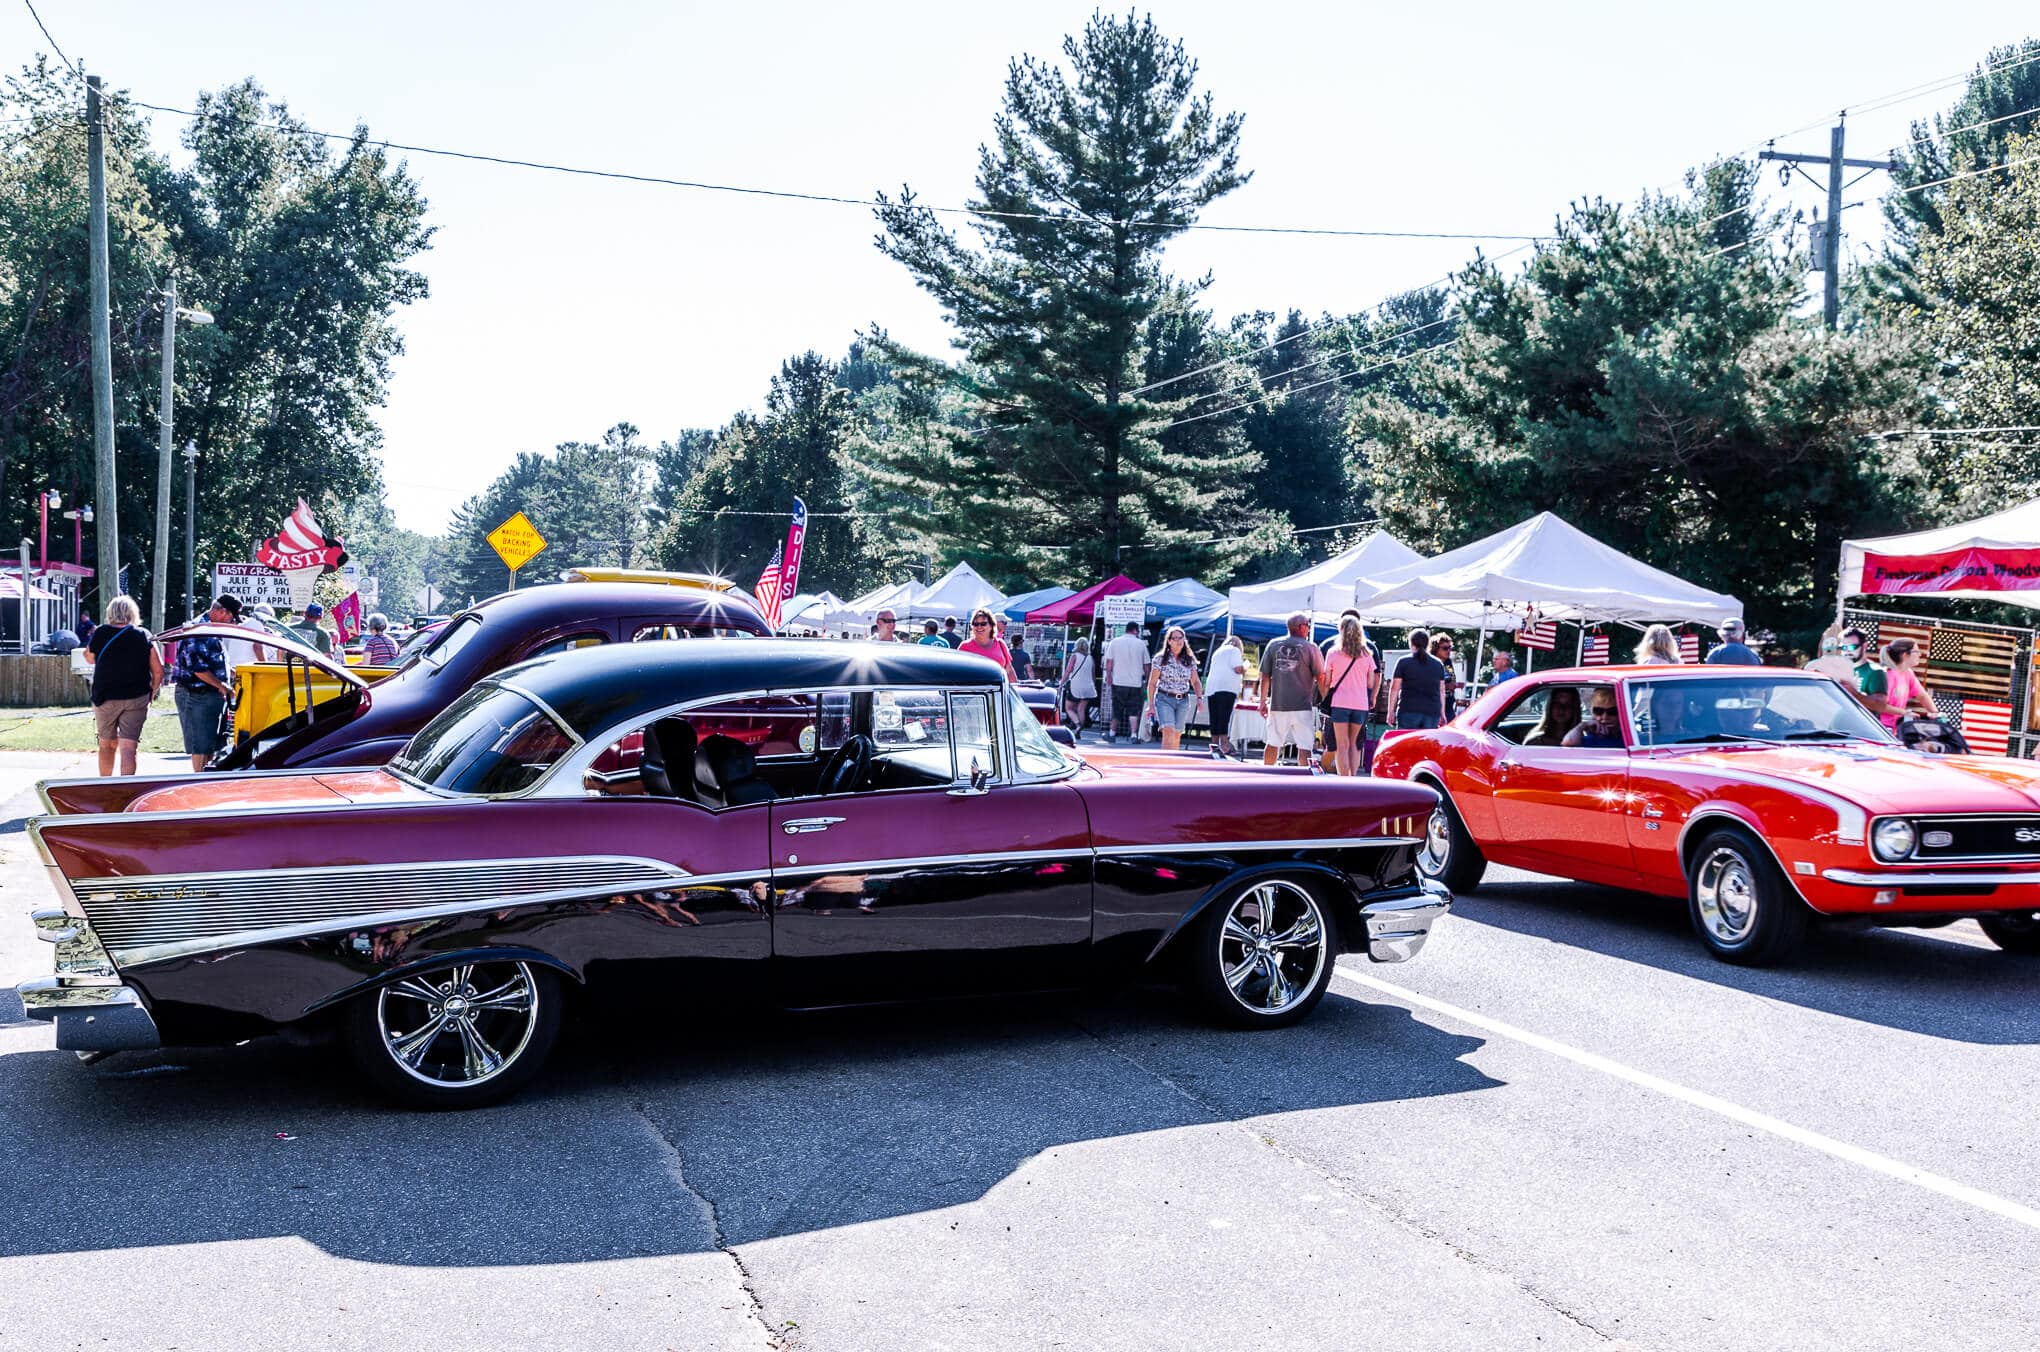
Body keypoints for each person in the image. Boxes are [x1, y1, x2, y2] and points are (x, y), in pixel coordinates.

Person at [84, 594, 162, 777]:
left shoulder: (101, 633)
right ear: (133, 613)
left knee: (106, 744)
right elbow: (158, 671)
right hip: (137, 697)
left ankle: (104, 787)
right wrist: (152, 693)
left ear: (110, 612)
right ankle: (125, 791)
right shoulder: (143, 635)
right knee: (129, 747)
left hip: (105, 697)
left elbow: (89, 658)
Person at [172, 602, 234, 771]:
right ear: (221, 611)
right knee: (200, 745)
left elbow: (215, 660)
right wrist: (222, 685)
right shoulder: (198, 631)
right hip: (195, 694)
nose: (231, 622)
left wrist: (230, 674)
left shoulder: (211, 629)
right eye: (231, 618)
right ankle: (199, 779)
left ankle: (206, 777)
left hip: (210, 694)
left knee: (211, 744)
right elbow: (197, 668)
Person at [1258, 612, 1325, 765]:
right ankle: (1303, 783)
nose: (1308, 629)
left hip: (1278, 704)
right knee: (1305, 747)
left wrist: (1262, 701)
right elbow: (1321, 677)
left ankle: (1265, 776)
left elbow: (1265, 676)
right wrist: (1326, 700)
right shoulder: (1311, 648)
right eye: (1307, 625)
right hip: (1302, 705)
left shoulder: (1273, 645)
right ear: (1300, 627)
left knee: (1273, 742)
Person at [1321, 615, 1378, 777]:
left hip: (1339, 702)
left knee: (1342, 744)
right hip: (1360, 703)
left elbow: (1327, 681)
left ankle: (1343, 779)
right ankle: (1353, 777)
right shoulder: (1367, 654)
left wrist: (1326, 693)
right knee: (1354, 744)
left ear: (1341, 630)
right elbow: (1370, 682)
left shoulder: (1333, 653)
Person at [1143, 626, 1205, 752]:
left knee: (1177, 734)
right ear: (1169, 641)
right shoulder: (1160, 658)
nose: (1178, 641)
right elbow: (1152, 682)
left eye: (1180, 638)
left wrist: (1199, 698)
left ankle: (1173, 761)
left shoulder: (1189, 659)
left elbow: (1196, 681)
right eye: (1174, 638)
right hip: (1164, 698)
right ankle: (1165, 763)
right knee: (1168, 731)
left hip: (1183, 699)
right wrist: (1151, 704)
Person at [1387, 628, 1449, 731]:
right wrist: (1442, 713)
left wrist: (1390, 711)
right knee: (1426, 745)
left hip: (1408, 710)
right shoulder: (1438, 664)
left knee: (1406, 745)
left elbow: (1395, 688)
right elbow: (1441, 691)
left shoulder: (1403, 662)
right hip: (1432, 712)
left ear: (1411, 643)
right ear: (1427, 644)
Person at [1103, 621, 1150, 744]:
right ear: (1135, 630)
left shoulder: (1115, 642)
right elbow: (1146, 665)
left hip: (1118, 681)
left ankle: (1112, 733)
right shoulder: (1141, 644)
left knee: (1117, 709)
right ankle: (1134, 735)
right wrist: (1149, 680)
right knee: (1133, 710)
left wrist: (1109, 676)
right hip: (1135, 682)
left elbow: (1109, 662)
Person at [1880, 637, 1935, 734]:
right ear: (1905, 655)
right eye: (1916, 651)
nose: (1920, 654)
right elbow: (1880, 705)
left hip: (1898, 729)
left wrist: (1936, 714)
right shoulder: (1889, 675)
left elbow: (1922, 696)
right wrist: (1904, 713)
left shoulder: (1908, 673)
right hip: (1883, 730)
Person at [1205, 633, 1245, 760]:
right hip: (1226, 687)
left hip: (1212, 687)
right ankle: (1225, 745)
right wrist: (1246, 667)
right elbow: (1238, 669)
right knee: (1224, 716)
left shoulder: (1218, 651)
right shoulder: (1234, 651)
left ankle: (1214, 744)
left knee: (1215, 717)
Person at [1839, 627, 1892, 721]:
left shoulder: (1875, 671)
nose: (1847, 651)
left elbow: (1880, 705)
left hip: (1860, 729)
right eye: (1843, 647)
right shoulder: (1840, 669)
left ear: (1864, 646)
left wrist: (1855, 694)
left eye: (1851, 647)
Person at [957, 608, 1015, 677]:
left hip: (999, 687)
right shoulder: (965, 646)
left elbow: (1009, 671)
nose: (979, 627)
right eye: (976, 624)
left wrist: (1015, 686)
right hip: (975, 687)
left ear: (991, 626)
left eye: (983, 624)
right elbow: (958, 672)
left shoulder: (1000, 644)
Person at [1062, 637, 1097, 733]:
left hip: (1076, 686)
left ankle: (1077, 725)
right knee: (1081, 709)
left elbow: (1068, 671)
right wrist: (1093, 685)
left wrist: (1061, 683)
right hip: (1088, 687)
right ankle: (1079, 729)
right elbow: (1093, 674)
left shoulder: (1074, 656)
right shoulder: (1090, 658)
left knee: (1068, 708)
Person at [1431, 633, 1460, 715]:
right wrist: (1446, 686)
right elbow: (1429, 684)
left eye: (1449, 648)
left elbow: (1453, 677)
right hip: (1435, 705)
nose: (1448, 651)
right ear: (1435, 649)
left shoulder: (1448, 663)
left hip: (1449, 704)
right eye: (1445, 648)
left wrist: (1454, 684)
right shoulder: (1431, 664)